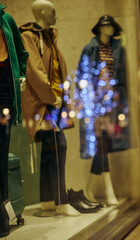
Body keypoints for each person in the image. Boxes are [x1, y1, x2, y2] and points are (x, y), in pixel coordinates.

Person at [19, 0, 79, 216]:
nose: (56, 15)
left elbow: (57, 69)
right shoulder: (29, 36)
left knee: (50, 150)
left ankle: (47, 204)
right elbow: (34, 71)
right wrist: (52, 97)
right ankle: (61, 202)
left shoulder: (48, 37)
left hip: (54, 101)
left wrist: (62, 97)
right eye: (52, 11)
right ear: (43, 12)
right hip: (44, 103)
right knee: (57, 146)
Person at [75, 15, 129, 205]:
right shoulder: (90, 48)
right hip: (95, 104)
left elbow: (119, 76)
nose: (111, 29)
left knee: (102, 145)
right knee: (102, 144)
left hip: (110, 104)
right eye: (107, 26)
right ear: (100, 28)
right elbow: (83, 76)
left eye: (112, 26)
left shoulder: (116, 49)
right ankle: (108, 190)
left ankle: (88, 188)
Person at [0, 3, 28, 237]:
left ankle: (3, 216)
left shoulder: (7, 19)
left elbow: (21, 52)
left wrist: (21, 74)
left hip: (6, 93)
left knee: (1, 157)